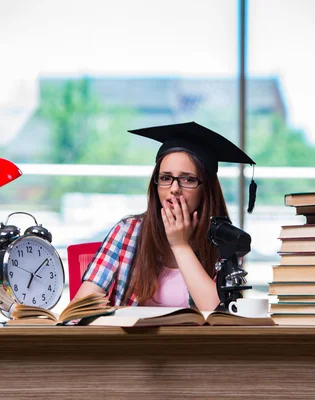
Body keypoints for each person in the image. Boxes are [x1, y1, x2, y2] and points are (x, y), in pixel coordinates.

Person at [73, 121, 255, 311]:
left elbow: (221, 317)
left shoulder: (225, 242)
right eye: (166, 178)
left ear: (206, 190)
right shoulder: (129, 231)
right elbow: (78, 311)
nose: (174, 189)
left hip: (195, 341)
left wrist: (180, 245)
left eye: (187, 179)